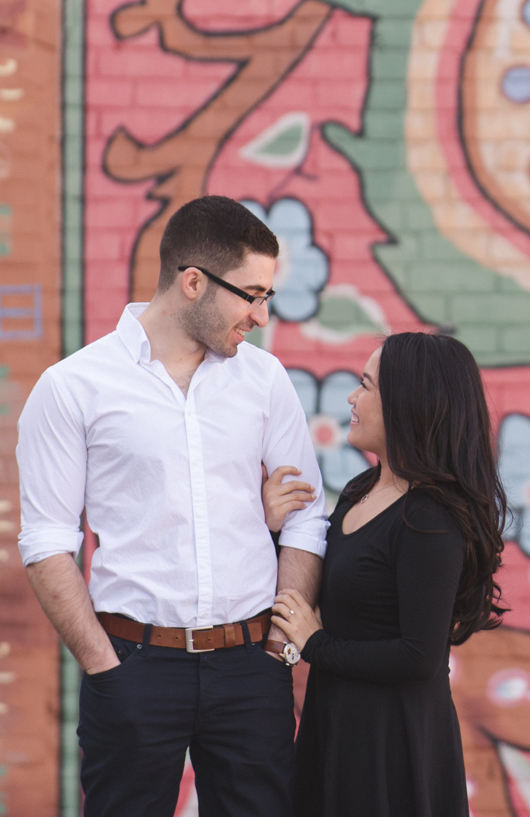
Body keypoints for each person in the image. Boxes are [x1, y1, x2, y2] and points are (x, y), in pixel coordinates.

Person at [16, 196, 329, 817]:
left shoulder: (264, 381)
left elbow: (306, 517)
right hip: (132, 664)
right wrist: (103, 665)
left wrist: (280, 653)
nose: (261, 316)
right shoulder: (74, 386)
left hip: (250, 666)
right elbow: (47, 540)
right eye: (251, 294)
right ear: (193, 282)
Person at [270, 332, 508, 817]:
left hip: (389, 741)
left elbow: (420, 656)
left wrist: (316, 645)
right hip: (335, 721)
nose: (352, 399)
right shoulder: (361, 489)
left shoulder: (430, 519)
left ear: (407, 403)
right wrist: (271, 527)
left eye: (366, 386)